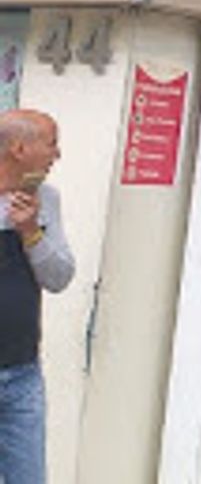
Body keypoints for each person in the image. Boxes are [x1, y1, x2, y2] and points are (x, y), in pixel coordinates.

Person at [0, 109, 72, 484]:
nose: (57, 154)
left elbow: (60, 277)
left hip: (22, 374)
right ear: (18, 148)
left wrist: (31, 233)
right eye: (51, 143)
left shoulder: (46, 200)